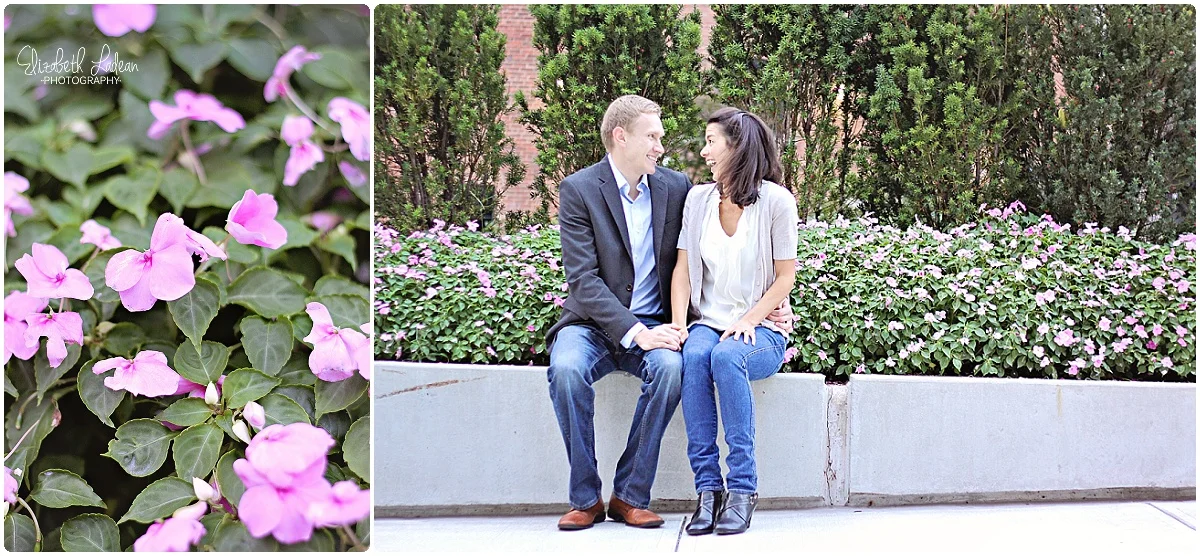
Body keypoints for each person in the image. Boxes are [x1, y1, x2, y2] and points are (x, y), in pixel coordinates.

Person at [546, 96, 791, 531]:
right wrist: (641, 331)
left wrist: (763, 311)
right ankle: (585, 498)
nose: (662, 146)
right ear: (621, 137)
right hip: (593, 325)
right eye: (653, 136)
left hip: (660, 326)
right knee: (565, 369)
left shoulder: (677, 188)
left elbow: (723, 259)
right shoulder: (579, 190)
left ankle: (630, 496)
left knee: (672, 367)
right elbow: (583, 281)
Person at [670, 107, 799, 536]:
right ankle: (708, 491)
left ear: (737, 146)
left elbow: (785, 277)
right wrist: (677, 324)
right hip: (709, 320)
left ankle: (743, 490)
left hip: (762, 329)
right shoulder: (698, 200)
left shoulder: (777, 202)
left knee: (727, 357)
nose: (704, 151)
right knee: (696, 354)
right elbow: (683, 268)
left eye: (711, 141)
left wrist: (751, 317)